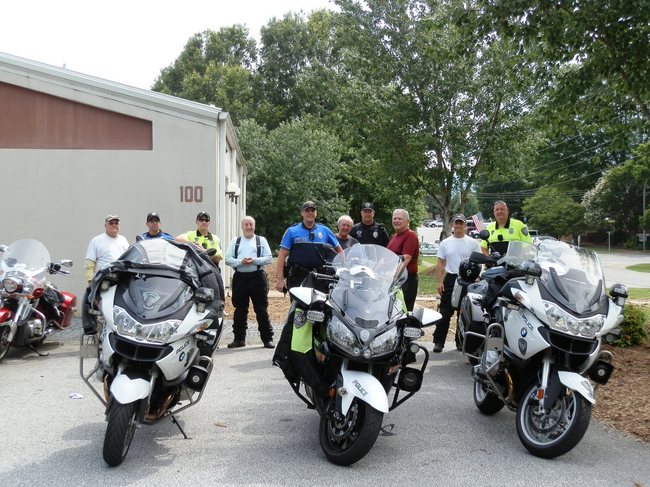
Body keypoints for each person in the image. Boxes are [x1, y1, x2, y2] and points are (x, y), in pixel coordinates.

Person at [224, 216, 274, 349]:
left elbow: (269, 258)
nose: (249, 227)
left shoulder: (261, 240)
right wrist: (240, 262)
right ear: (242, 227)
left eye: (251, 224)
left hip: (258, 278)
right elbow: (227, 259)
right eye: (246, 224)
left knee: (261, 309)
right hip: (240, 278)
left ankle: (267, 339)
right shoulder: (235, 241)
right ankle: (239, 339)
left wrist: (254, 260)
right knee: (240, 310)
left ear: (254, 226)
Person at [433, 214, 480, 353]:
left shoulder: (473, 243)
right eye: (456, 223)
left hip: (467, 279)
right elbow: (440, 263)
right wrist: (440, 282)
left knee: (463, 312)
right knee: (445, 312)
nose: (458, 226)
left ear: (465, 226)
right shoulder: (445, 242)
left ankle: (460, 342)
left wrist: (477, 278)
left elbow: (478, 263)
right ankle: (439, 342)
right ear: (453, 225)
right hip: (450, 279)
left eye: (461, 223)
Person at [275, 201, 343, 293]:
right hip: (297, 277)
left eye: (312, 210)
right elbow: (282, 255)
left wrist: (343, 270)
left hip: (320, 278)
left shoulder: (325, 230)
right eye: (307, 210)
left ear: (316, 213)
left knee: (320, 302)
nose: (310, 213)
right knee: (298, 303)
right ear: (302, 213)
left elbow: (340, 251)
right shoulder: (291, 231)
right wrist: (280, 279)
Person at [387, 208, 419, 311]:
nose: (396, 221)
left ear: (407, 221)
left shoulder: (410, 235)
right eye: (394, 218)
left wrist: (394, 275)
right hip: (393, 280)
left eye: (400, 219)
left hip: (405, 280)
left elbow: (406, 258)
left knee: (403, 311)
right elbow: (386, 257)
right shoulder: (395, 236)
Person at [85, 214, 130, 284]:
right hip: (103, 281)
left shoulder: (123, 240)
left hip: (121, 280)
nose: (114, 225)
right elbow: (90, 262)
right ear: (105, 225)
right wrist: (90, 280)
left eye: (116, 223)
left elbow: (129, 259)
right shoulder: (96, 240)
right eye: (111, 223)